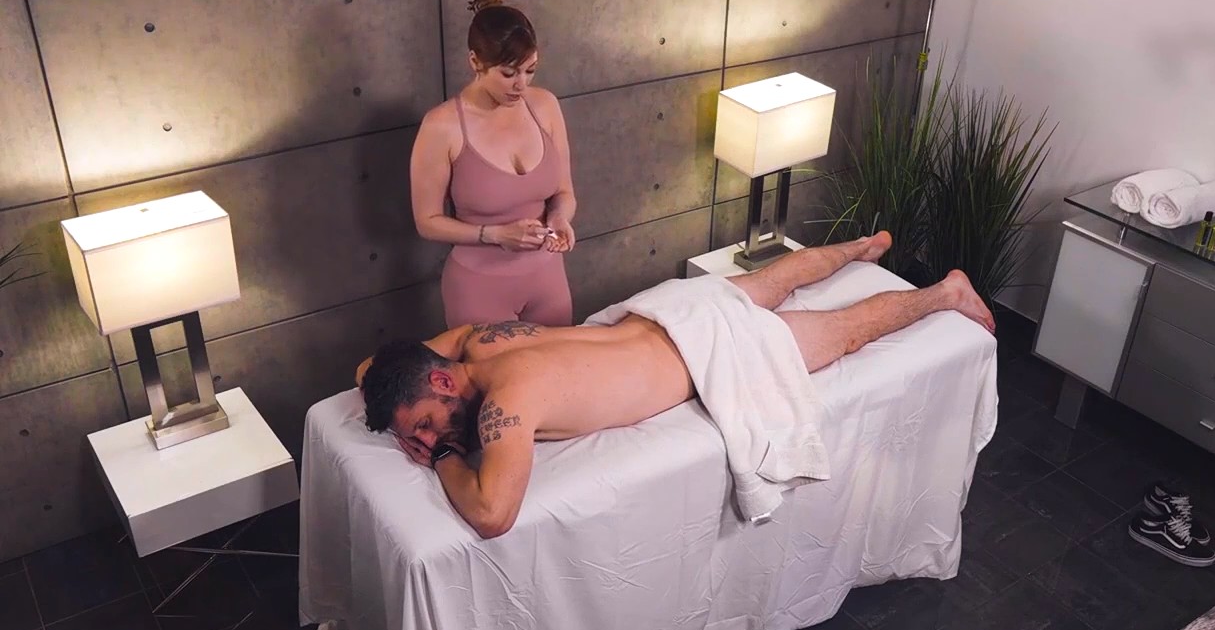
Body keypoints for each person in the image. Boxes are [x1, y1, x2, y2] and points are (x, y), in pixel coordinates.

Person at [356, 233, 996, 539]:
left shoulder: (507, 403)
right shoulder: (475, 338)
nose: (429, 437)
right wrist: (409, 416)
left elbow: (493, 515)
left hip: (707, 352)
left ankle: (945, 292)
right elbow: (369, 372)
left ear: (441, 379)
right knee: (774, 279)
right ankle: (862, 247)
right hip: (671, 310)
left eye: (425, 423)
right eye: (422, 434)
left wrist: (443, 455)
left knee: (844, 333)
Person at [409, 0, 577, 328]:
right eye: (508, 73)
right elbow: (427, 221)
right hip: (479, 288)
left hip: (548, 278)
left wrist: (560, 217)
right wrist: (495, 234)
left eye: (530, 70)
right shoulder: (442, 126)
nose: (521, 85)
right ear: (475, 62)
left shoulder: (545, 106)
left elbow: (564, 192)